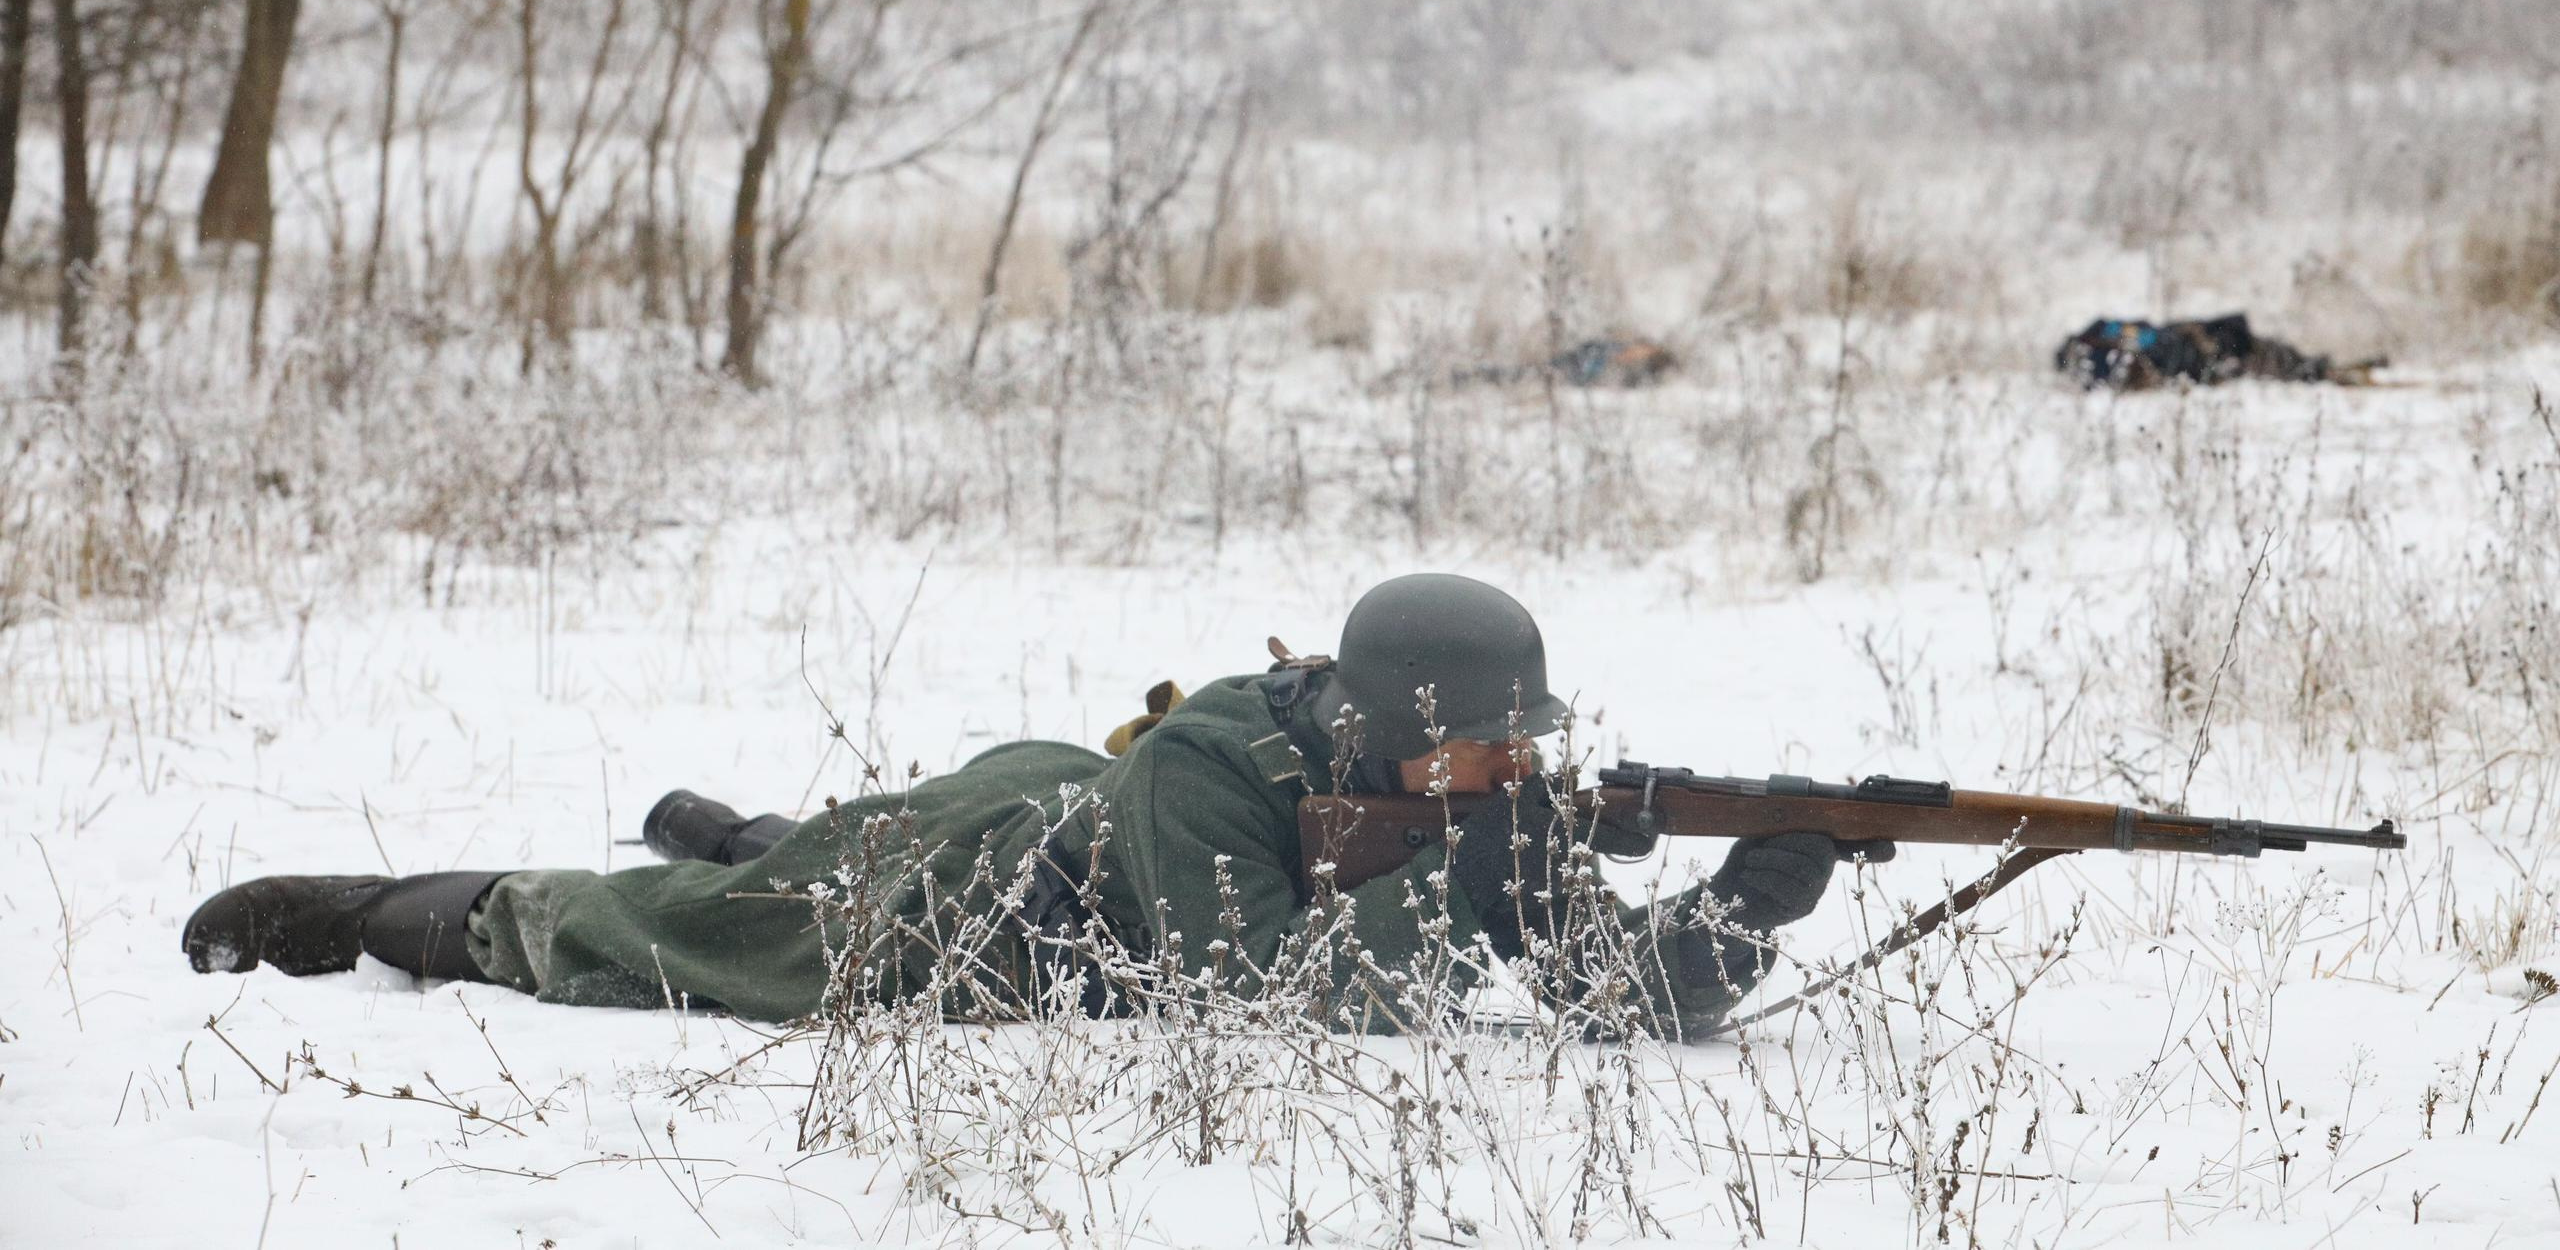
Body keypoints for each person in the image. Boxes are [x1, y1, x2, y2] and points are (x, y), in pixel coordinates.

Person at [182, 575, 1840, 1035]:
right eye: (1485, 754)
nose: (1513, 773)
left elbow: (1586, 985)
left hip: (1059, 795)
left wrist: (1737, 915)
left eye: (1515, 753)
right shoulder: (1216, 768)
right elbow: (1259, 993)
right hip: (976, 901)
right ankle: (388, 903)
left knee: (803, 842)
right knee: (693, 931)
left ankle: (746, 822)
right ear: (1402, 731)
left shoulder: (1473, 797)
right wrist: (1462, 868)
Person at [2055, 312, 2382, 391]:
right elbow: (2144, 330)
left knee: (2258, 353)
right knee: (2260, 353)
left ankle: (2322, 370)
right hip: (2199, 347)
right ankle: (2322, 371)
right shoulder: (2100, 335)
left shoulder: (2098, 341)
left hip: (2197, 350)